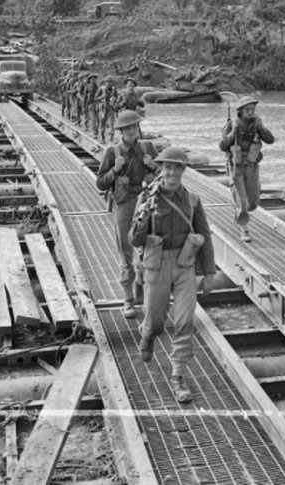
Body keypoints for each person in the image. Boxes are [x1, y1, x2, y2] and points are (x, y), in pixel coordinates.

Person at [129, 146, 215, 403]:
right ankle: (147, 335)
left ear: (183, 170)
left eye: (177, 167)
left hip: (184, 263)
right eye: (167, 167)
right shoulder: (147, 199)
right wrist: (143, 215)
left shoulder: (192, 201)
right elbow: (134, 240)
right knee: (155, 322)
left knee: (184, 321)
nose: (172, 172)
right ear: (160, 169)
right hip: (156, 264)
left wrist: (209, 272)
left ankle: (178, 376)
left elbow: (205, 235)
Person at [96, 110, 159, 318]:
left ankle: (144, 293)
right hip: (124, 204)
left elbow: (163, 175)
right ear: (121, 131)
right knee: (125, 250)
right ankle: (128, 299)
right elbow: (100, 183)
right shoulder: (112, 152)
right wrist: (115, 170)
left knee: (149, 246)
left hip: (146, 202)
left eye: (135, 126)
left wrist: (153, 166)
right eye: (128, 128)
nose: (132, 131)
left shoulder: (147, 147)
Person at [219, 96, 275, 242]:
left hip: (251, 166)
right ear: (240, 111)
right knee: (242, 202)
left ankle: (240, 211)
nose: (250, 112)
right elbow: (222, 145)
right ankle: (244, 230)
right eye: (247, 110)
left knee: (254, 201)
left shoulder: (257, 124)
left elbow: (270, 140)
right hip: (236, 166)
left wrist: (261, 127)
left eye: (252, 109)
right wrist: (233, 133)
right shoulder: (232, 124)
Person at [97, 77, 118, 143]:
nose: (109, 83)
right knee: (102, 123)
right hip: (103, 108)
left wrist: (114, 101)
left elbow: (117, 98)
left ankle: (111, 138)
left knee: (112, 123)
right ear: (105, 82)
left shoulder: (114, 89)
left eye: (110, 82)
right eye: (108, 82)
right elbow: (95, 98)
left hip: (111, 108)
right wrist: (101, 97)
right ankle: (102, 137)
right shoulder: (102, 89)